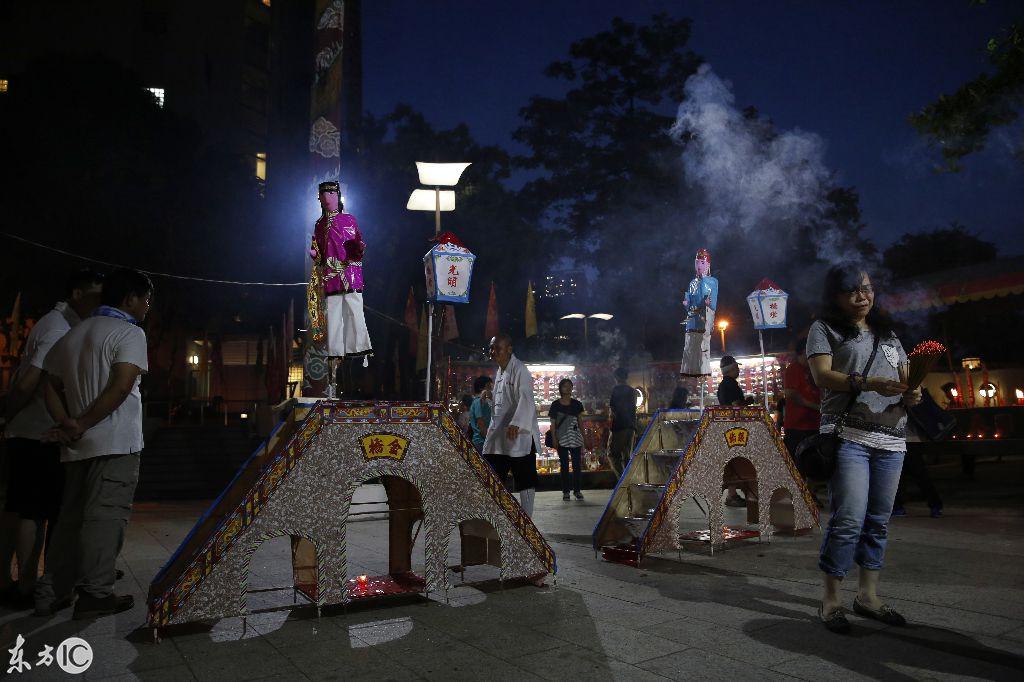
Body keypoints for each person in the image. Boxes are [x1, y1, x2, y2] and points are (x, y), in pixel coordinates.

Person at [807, 264, 920, 634]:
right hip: (848, 436)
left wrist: (913, 392)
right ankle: (831, 600)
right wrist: (868, 381)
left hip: (892, 439)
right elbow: (822, 376)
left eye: (867, 288)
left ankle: (868, 596)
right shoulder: (824, 329)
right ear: (835, 295)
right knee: (849, 519)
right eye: (853, 290)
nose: (863, 296)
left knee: (877, 521)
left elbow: (906, 379)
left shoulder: (889, 334)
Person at [34, 268, 153, 619]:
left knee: (69, 519)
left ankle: (52, 591)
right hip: (115, 443)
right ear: (129, 299)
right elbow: (121, 386)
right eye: (145, 300)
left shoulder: (73, 334)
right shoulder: (129, 332)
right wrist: (82, 422)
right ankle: (95, 593)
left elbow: (49, 385)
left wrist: (68, 424)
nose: (147, 308)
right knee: (106, 518)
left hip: (77, 447)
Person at [0, 269, 105, 609]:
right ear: (76, 293)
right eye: (94, 295)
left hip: (40, 433)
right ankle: (28, 585)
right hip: (36, 433)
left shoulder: (64, 324)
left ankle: (31, 582)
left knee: (32, 509)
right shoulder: (57, 327)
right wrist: (7, 415)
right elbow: (30, 381)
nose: (99, 302)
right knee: (34, 511)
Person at [482, 334, 541, 517]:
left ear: (509, 349)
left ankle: (527, 520)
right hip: (501, 437)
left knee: (525, 480)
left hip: (519, 436)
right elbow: (504, 404)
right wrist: (491, 397)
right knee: (493, 475)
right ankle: (496, 516)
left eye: (497, 348)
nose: (493, 352)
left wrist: (517, 422)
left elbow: (526, 398)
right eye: (491, 348)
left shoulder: (520, 370)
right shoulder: (500, 372)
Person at [783, 337, 821, 468]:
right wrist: (817, 407)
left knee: (813, 467)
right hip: (797, 428)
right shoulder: (793, 369)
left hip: (814, 426)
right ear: (804, 351)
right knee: (797, 467)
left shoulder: (812, 370)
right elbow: (791, 395)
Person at [549, 378, 585, 501]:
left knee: (577, 465)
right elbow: (552, 424)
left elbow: (580, 422)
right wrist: (554, 438)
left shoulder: (577, 404)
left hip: (575, 438)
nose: (568, 388)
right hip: (562, 438)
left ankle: (577, 490)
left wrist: (584, 437)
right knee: (564, 465)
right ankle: (566, 491)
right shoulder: (555, 405)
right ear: (560, 388)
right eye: (565, 386)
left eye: (569, 386)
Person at [608, 367, 638, 476]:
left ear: (616, 377)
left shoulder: (616, 390)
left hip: (619, 426)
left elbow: (613, 409)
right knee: (627, 456)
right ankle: (629, 480)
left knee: (613, 454)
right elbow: (634, 410)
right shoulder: (632, 391)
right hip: (631, 426)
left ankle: (622, 479)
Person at [468, 376, 493, 454]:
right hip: (481, 442)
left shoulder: (481, 402)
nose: (491, 389)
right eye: (489, 386)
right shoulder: (478, 402)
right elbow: (481, 423)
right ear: (481, 388)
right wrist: (489, 440)